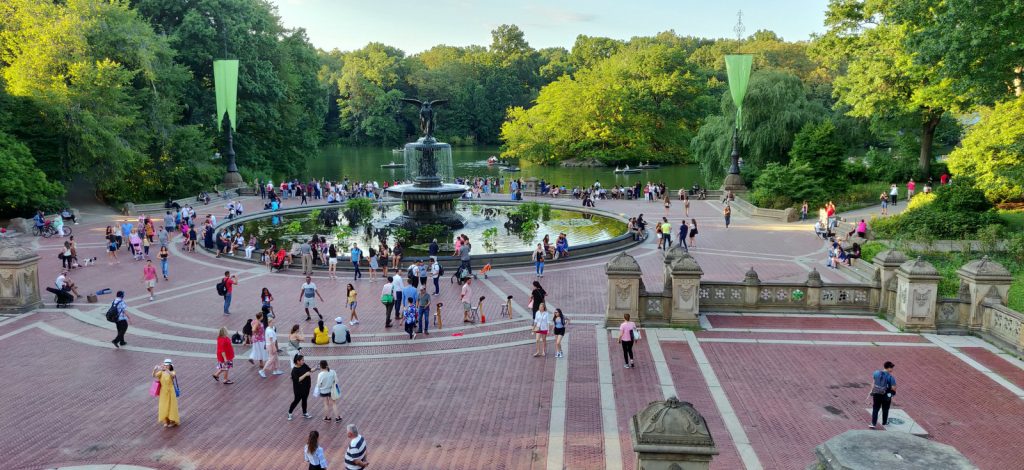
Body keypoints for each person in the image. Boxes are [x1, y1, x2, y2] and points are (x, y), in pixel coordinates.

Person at [152, 358, 180, 428]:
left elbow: (173, 376)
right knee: (164, 406)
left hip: (170, 391)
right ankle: (166, 420)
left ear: (170, 366)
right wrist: (155, 369)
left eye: (167, 365)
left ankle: (173, 421)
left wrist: (166, 370)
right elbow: (154, 376)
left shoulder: (172, 371)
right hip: (163, 391)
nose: (166, 366)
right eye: (165, 365)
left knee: (171, 406)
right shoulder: (161, 372)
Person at [869, 361, 897, 429]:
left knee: (875, 408)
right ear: (889, 368)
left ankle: (873, 423)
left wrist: (872, 391)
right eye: (892, 368)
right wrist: (892, 394)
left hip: (876, 394)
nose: (892, 369)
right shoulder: (890, 377)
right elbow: (894, 388)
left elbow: (873, 383)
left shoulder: (876, 373)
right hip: (886, 396)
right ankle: (884, 422)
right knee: (885, 409)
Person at [288, 354, 314, 421]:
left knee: (304, 400)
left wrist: (316, 368)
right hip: (298, 389)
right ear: (298, 361)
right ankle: (290, 412)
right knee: (296, 401)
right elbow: (297, 380)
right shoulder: (294, 370)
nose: (303, 361)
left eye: (303, 360)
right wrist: (305, 374)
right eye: (302, 360)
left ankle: (304, 413)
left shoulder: (304, 365)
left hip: (306, 387)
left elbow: (310, 370)